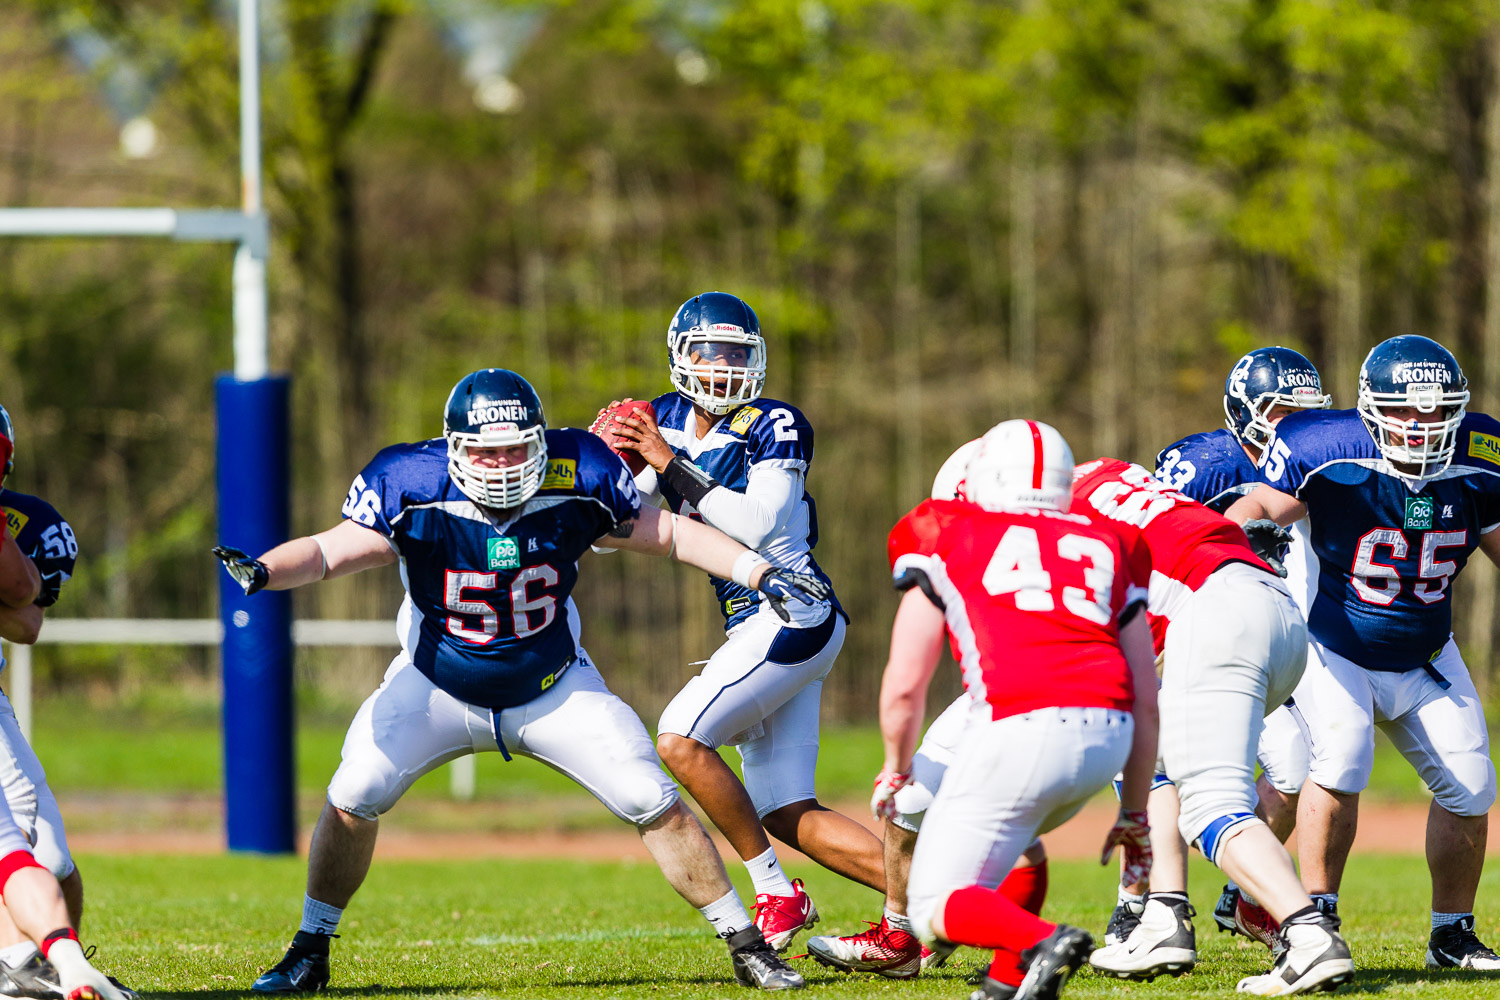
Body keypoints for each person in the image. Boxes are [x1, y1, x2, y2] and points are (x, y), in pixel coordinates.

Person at [221, 368, 823, 993]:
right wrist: (264, 569)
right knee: (355, 788)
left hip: (553, 686)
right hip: (436, 686)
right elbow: (326, 553)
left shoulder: (579, 472)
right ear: (453, 447)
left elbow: (667, 533)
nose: (502, 463)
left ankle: (748, 946)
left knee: (650, 797)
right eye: (486, 450)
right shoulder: (409, 482)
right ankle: (309, 951)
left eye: (515, 446)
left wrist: (756, 570)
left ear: (540, 439)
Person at [607, 292, 884, 954]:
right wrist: (611, 464)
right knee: (786, 812)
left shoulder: (776, 421)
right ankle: (938, 907)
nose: (725, 365)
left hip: (793, 607)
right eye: (712, 351)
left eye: (738, 352)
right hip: (755, 621)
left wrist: (667, 461)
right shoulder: (661, 417)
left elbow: (758, 522)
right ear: (681, 355)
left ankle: (777, 895)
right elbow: (617, 527)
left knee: (678, 738)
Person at [1226, 334, 1500, 971]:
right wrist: (1227, 530)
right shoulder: (1325, 445)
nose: (1420, 424)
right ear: (1371, 407)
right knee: (1342, 757)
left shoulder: (1480, 453)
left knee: (1472, 782)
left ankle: (1451, 935)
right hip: (1335, 644)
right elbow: (1268, 502)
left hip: (1428, 648)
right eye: (1403, 410)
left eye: (1435, 411)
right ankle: (1315, 922)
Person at [870, 419, 1160, 1000]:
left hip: (1023, 723)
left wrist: (896, 768)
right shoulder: (1109, 543)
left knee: (932, 907)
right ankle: (1007, 986)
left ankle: (1041, 941)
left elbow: (905, 685)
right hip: (1110, 733)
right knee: (1021, 842)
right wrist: (1134, 813)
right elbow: (1146, 697)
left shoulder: (947, 532)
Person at [1074, 456, 1353, 994]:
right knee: (1149, 756)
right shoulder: (1113, 478)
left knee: (1212, 803)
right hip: (1272, 607)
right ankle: (1164, 916)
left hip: (1216, 618)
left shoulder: (1051, 523)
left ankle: (1309, 934)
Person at [1098, 347, 1329, 965]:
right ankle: (1139, 897)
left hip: (1261, 634)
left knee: (1290, 764)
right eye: (1280, 410)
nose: (1292, 424)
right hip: (1186, 626)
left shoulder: (1315, 462)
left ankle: (1242, 891)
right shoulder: (1205, 463)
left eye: (1304, 412)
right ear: (1245, 410)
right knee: (1155, 764)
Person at [804, 442, 1049, 982]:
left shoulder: (954, 543)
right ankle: (937, 936)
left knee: (939, 808)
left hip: (1021, 692)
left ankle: (953, 935)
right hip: (1096, 698)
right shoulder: (1084, 532)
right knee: (992, 820)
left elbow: (907, 678)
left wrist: (894, 763)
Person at [0, 415, 122, 1000]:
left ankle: (53, 963)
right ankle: (21, 963)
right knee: (14, 851)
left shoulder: (25, 521)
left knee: (49, 852)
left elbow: (25, 615)